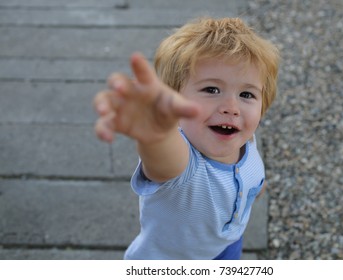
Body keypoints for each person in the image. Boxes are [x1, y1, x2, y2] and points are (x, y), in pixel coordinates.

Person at [93, 17, 279, 260]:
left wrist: (256, 186)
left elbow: (251, 177)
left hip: (227, 244)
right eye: (211, 89)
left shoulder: (246, 140)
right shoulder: (184, 162)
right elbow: (164, 162)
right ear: (175, 100)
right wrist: (156, 134)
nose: (232, 107)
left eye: (246, 94)